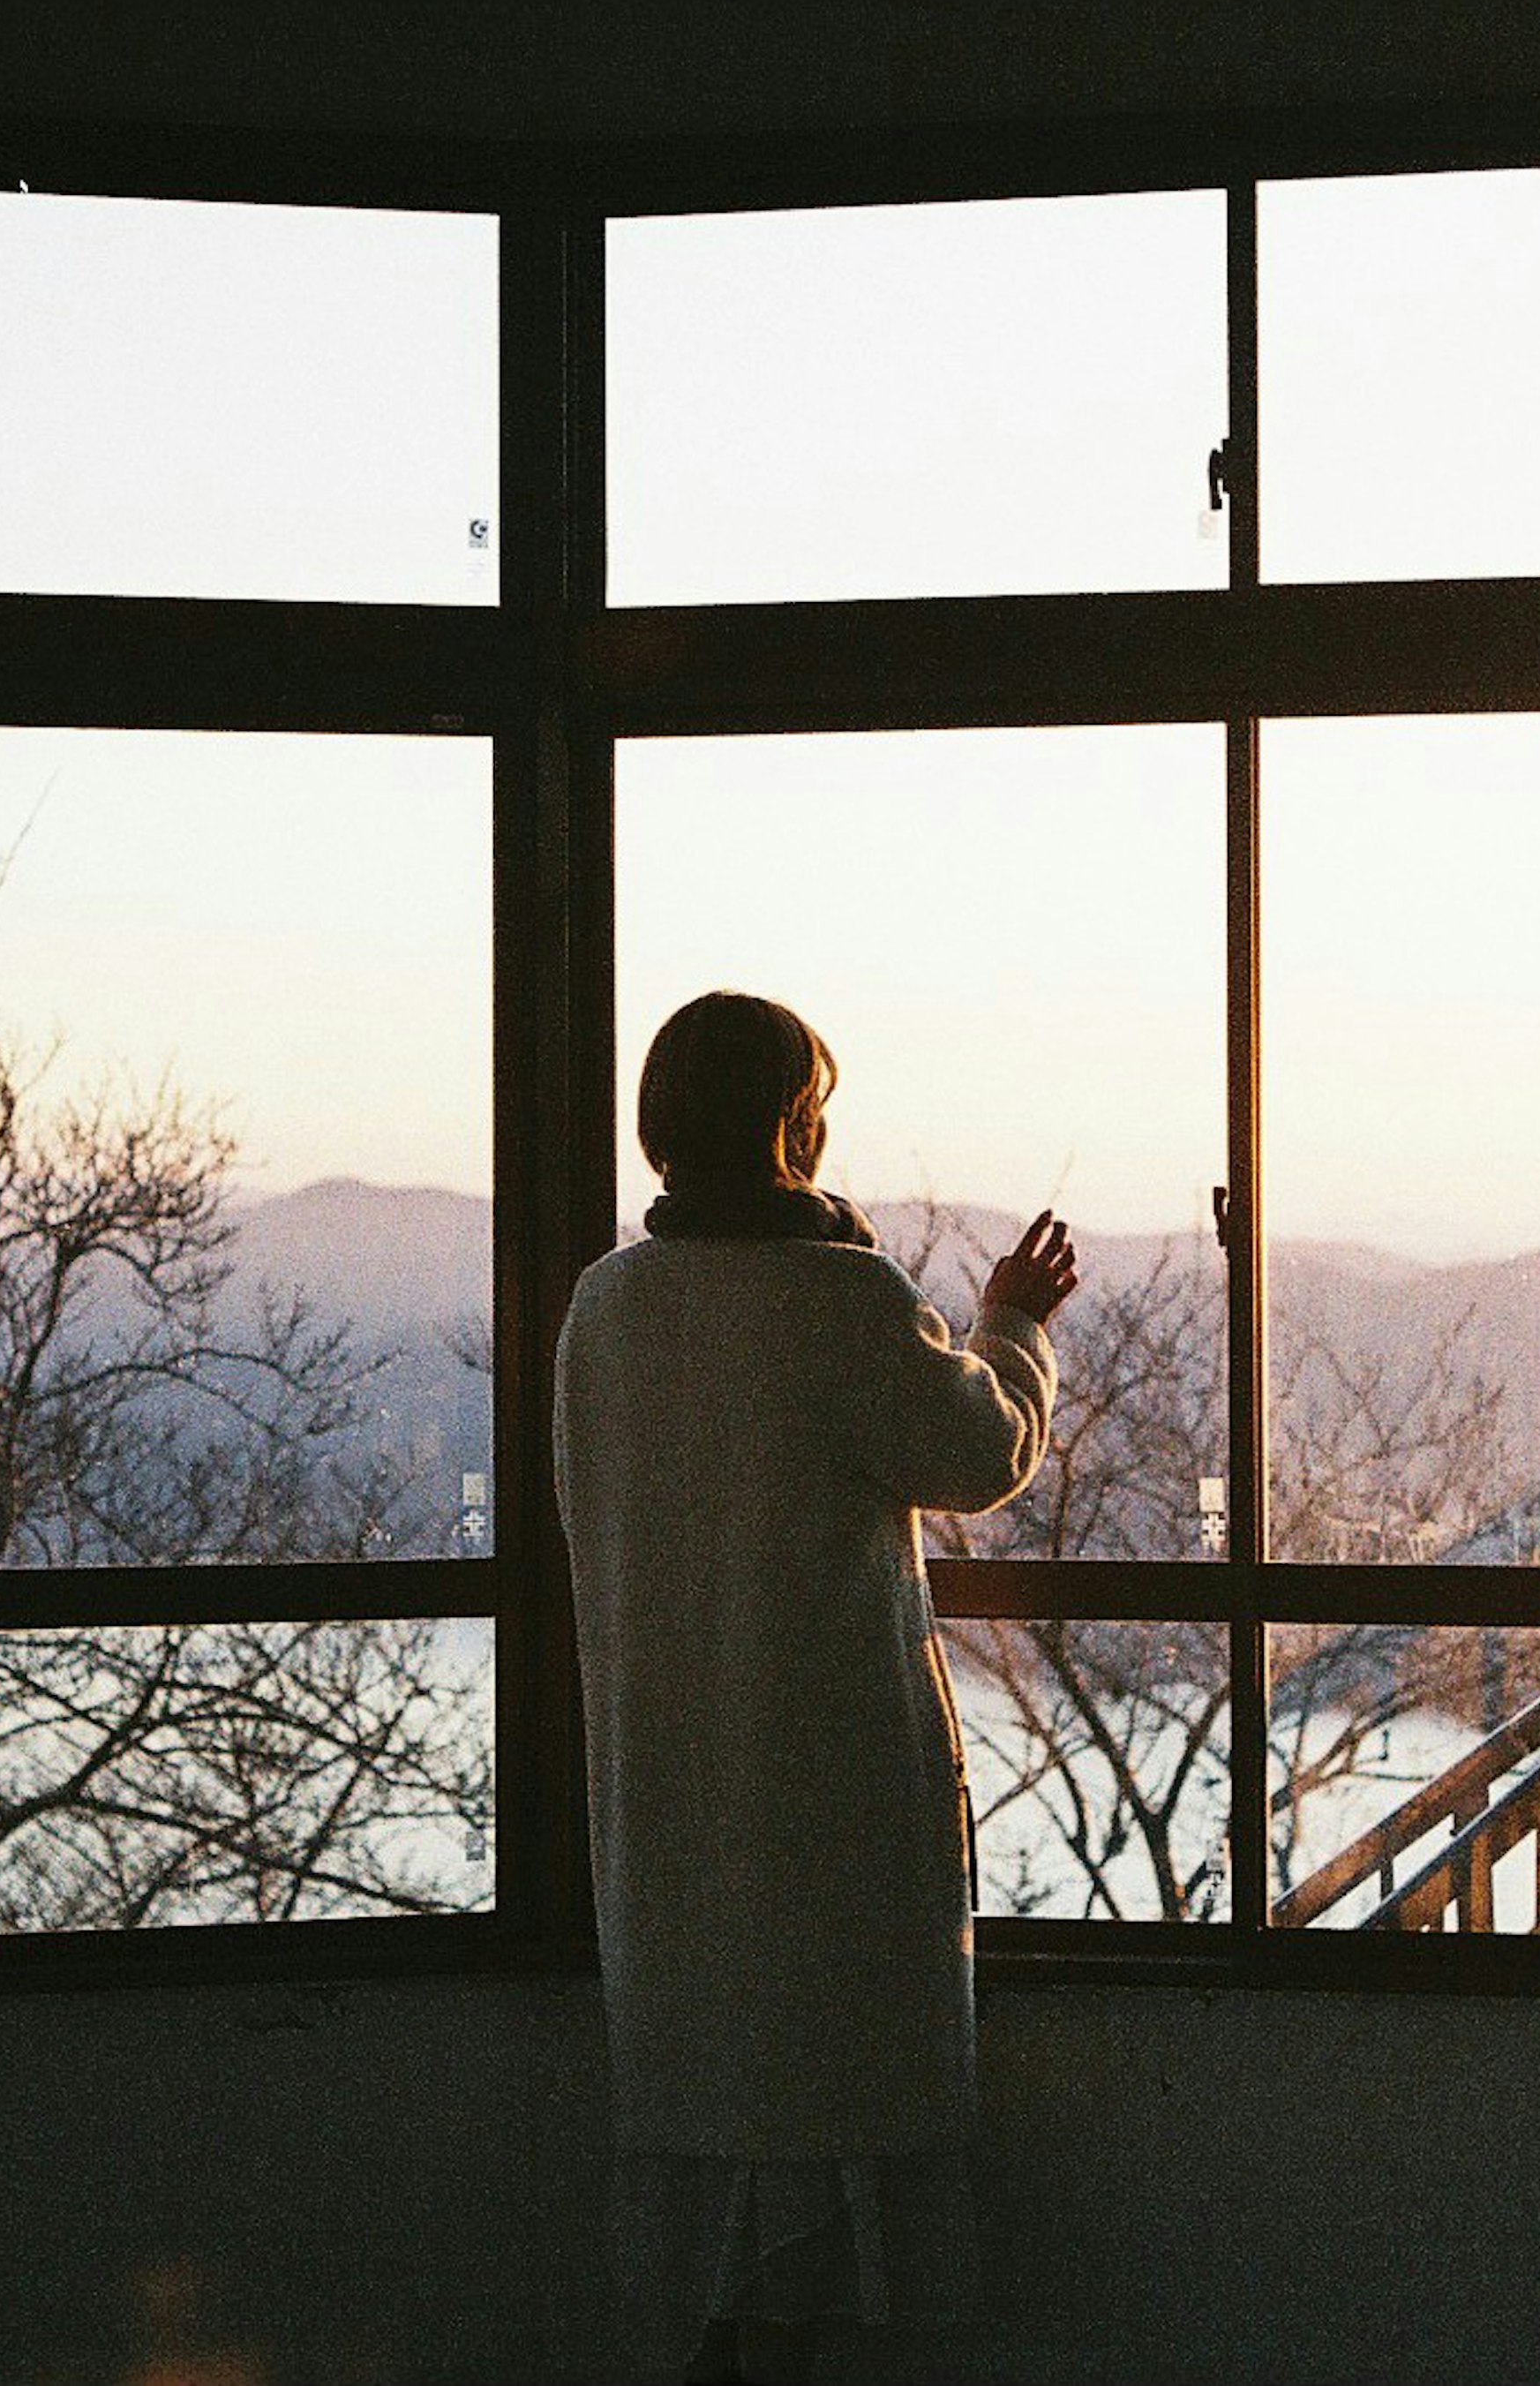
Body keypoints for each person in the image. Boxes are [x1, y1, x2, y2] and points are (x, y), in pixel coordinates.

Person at [552, 990, 1078, 2384]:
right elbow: (975, 1452)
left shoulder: (606, 1308)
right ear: (796, 1125)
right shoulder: (841, 1302)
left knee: (716, 2141)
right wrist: (1014, 1324)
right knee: (833, 2135)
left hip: (663, 1792)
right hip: (826, 1795)